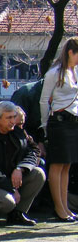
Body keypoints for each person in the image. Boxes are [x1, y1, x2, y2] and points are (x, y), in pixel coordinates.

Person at [0, 101, 46, 225]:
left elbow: (33, 151)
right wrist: (11, 188)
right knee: (6, 202)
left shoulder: (18, 132)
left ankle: (18, 214)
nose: (13, 121)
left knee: (38, 174)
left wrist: (21, 168)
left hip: (14, 177)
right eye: (9, 118)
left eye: (14, 117)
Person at [39, 37, 78, 221]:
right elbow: (43, 100)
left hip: (73, 122)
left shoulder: (75, 72)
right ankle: (59, 208)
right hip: (59, 122)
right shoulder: (54, 73)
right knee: (57, 165)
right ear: (71, 52)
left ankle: (66, 207)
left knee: (67, 165)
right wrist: (45, 125)